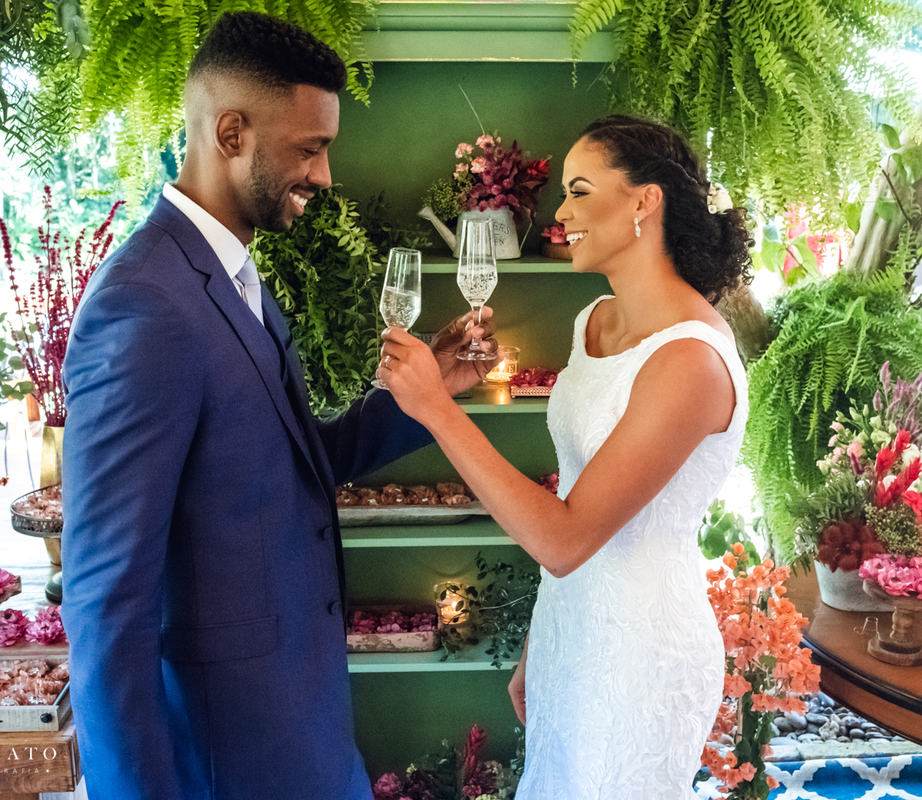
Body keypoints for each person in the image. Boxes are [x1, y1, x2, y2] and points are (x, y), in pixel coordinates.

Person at [60, 12, 493, 800]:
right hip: (229, 758)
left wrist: (423, 389)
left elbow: (291, 461)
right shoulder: (142, 305)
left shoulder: (233, 277)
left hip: (304, 729)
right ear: (231, 133)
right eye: (309, 147)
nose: (325, 175)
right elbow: (103, 603)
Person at [378, 114, 753, 798]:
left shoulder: (691, 362)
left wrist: (435, 407)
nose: (561, 212)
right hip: (570, 631)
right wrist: (537, 646)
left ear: (646, 201)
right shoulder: (596, 320)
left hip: (640, 652)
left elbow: (566, 534)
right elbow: (582, 495)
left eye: (580, 190)